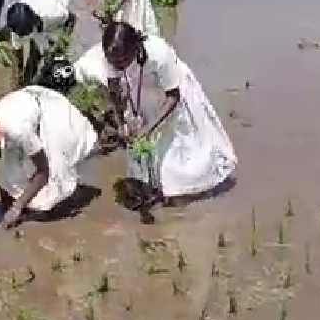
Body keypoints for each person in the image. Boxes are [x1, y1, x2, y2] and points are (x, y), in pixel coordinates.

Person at [79, 23, 236, 221]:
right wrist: (121, 124)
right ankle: (155, 185)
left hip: (171, 94)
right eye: (114, 63)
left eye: (124, 60)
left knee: (180, 149)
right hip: (143, 92)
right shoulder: (113, 57)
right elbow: (114, 90)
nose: (118, 66)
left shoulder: (160, 54)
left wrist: (148, 129)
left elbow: (173, 96)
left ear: (136, 48)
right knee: (147, 151)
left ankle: (187, 188)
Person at [0, 85, 98, 233]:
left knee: (48, 201)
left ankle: (69, 198)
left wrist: (16, 208)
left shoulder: (18, 131)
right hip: (21, 113)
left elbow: (43, 172)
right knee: (8, 183)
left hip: (49, 117)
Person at [7, 0, 76, 85]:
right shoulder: (16, 23)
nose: (23, 36)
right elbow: (17, 51)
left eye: (27, 32)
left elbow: (71, 20)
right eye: (22, 34)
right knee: (36, 55)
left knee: (53, 58)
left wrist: (60, 46)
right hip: (33, 1)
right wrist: (19, 76)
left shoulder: (54, 13)